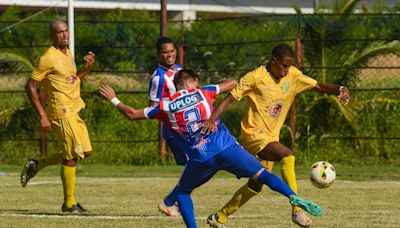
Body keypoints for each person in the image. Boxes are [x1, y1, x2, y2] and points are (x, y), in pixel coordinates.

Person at [99, 69, 323, 228]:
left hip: (201, 156)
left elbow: (132, 114)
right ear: (189, 83)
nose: (197, 85)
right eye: (195, 82)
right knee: (262, 174)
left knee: (184, 192)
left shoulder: (165, 106)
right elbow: (233, 83)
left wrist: (114, 99)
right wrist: (216, 86)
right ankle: (293, 197)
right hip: (226, 147)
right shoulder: (203, 92)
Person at [201, 44, 350, 227]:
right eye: (284, 65)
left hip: (271, 137)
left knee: (255, 185)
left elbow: (317, 85)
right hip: (253, 135)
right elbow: (230, 98)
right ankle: (297, 210)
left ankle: (220, 216)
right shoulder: (255, 77)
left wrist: (340, 88)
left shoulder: (293, 75)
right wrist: (211, 119)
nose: (287, 70)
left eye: (289, 66)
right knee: (287, 155)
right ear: (273, 61)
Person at [21, 19, 96, 213]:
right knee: (72, 155)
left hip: (74, 108)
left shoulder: (68, 53)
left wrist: (85, 70)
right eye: (59, 32)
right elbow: (30, 86)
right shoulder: (48, 58)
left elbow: (70, 80)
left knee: (85, 152)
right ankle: (69, 203)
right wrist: (42, 116)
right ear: (52, 36)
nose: (64, 35)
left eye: (66, 31)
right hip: (60, 111)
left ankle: (36, 165)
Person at [149, 36, 188, 166]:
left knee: (196, 164)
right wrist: (170, 114)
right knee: (190, 164)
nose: (169, 55)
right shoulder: (158, 78)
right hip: (175, 130)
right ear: (158, 55)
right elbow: (152, 107)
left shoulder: (180, 69)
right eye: (165, 52)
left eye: (172, 51)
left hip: (190, 124)